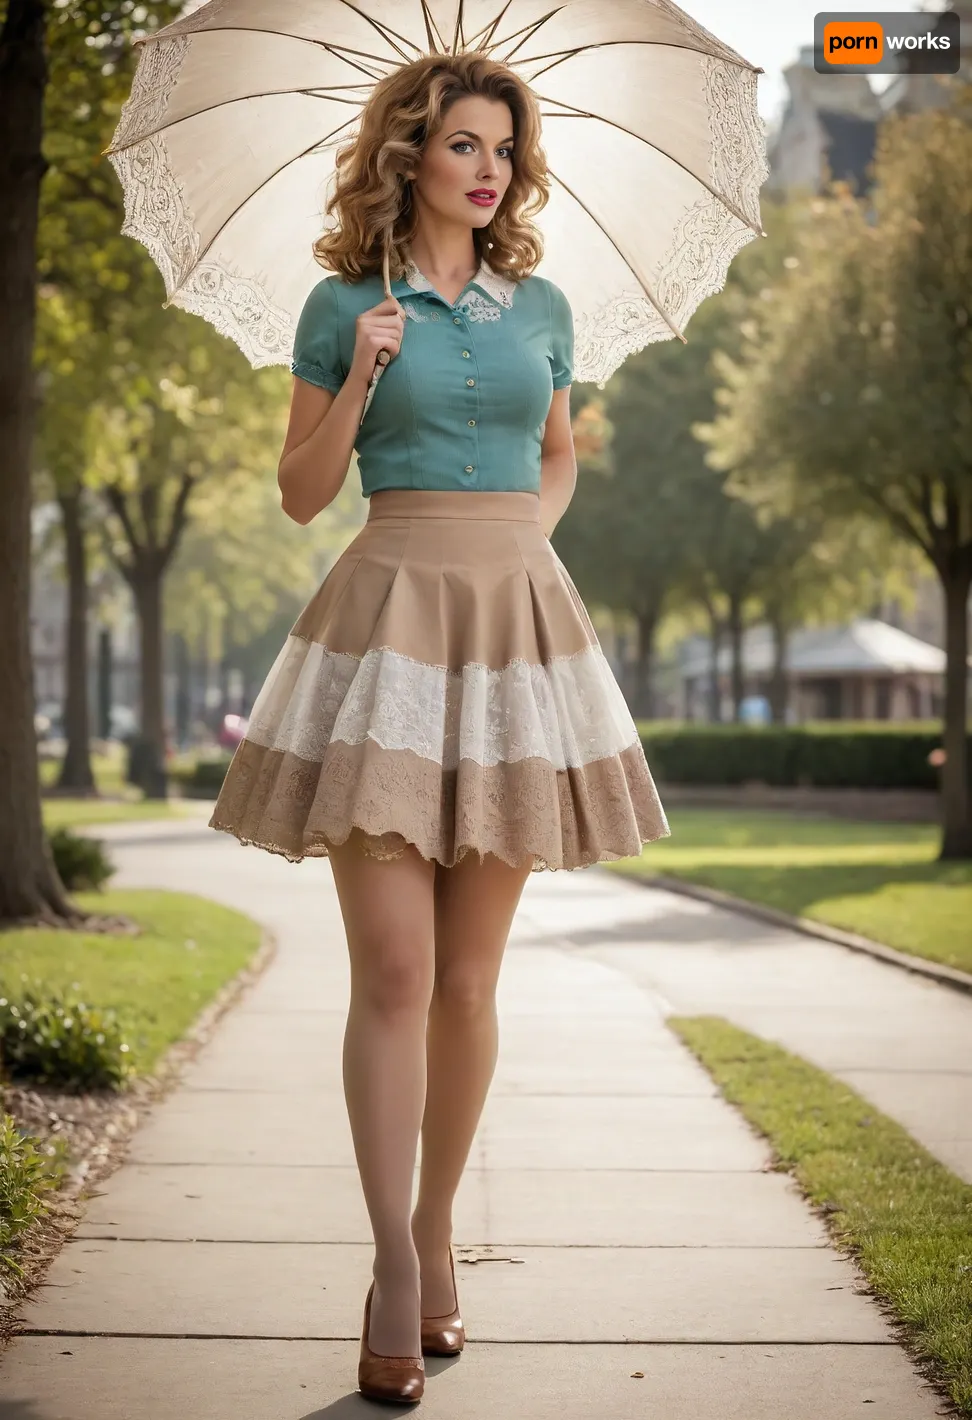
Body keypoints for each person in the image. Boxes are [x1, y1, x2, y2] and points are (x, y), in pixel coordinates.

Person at [209, 50, 670, 1406]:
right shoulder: (341, 303)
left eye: (504, 151)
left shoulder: (546, 308)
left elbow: (560, 448)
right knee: (397, 976)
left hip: (517, 630)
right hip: (386, 619)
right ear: (410, 153)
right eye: (466, 145)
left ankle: (436, 1227)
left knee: (473, 981)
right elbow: (301, 494)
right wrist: (358, 372)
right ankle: (393, 1271)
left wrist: (530, 542)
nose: (490, 170)